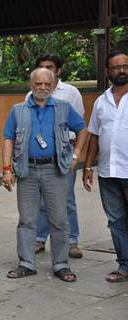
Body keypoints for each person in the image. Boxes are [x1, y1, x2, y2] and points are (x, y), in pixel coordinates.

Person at [2, 68, 87, 282]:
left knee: (59, 219)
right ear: (31, 85)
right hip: (26, 171)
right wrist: (6, 169)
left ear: (53, 85)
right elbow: (8, 139)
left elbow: (83, 129)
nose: (42, 87)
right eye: (38, 84)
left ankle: (61, 264)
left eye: (47, 84)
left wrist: (76, 156)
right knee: (27, 220)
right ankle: (26, 263)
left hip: (55, 170)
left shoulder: (64, 108)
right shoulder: (18, 110)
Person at [28, 54, 85, 259]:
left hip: (64, 153)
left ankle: (72, 241)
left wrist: (75, 155)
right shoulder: (30, 94)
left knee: (66, 199)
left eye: (50, 67)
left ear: (58, 70)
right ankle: (40, 239)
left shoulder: (71, 93)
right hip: (40, 156)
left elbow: (80, 127)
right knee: (42, 200)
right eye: (42, 67)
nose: (47, 70)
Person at [83, 51, 128, 283]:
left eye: (125, 66)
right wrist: (88, 166)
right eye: (116, 67)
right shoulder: (101, 101)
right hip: (108, 173)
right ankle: (124, 265)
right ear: (107, 72)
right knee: (116, 220)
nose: (121, 70)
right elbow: (94, 136)